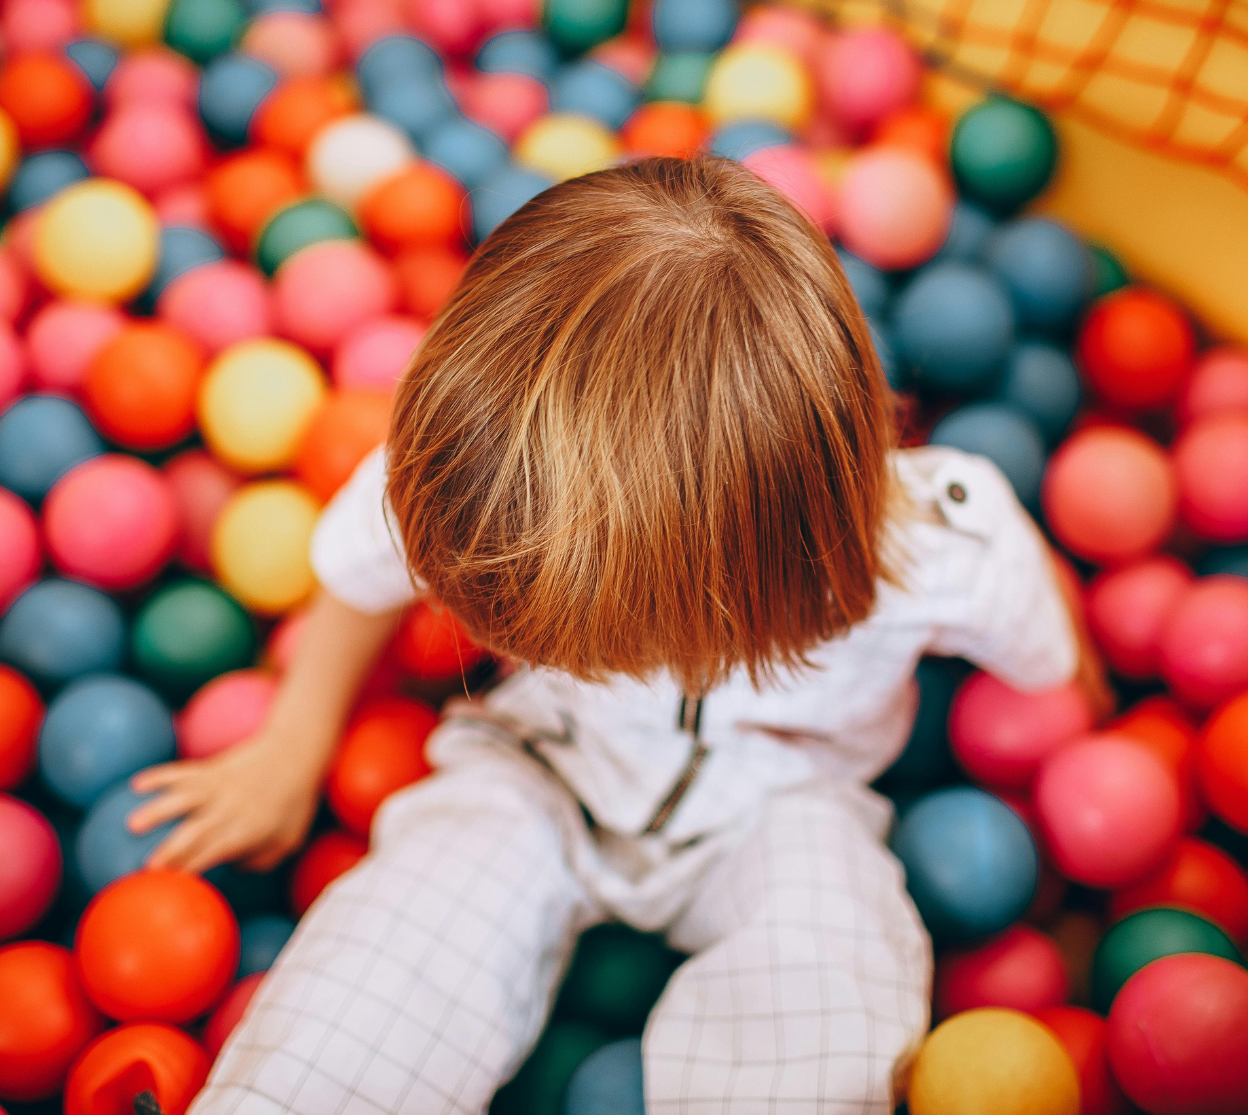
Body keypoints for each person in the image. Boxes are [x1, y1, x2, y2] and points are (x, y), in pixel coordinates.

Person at [130, 157, 1097, 1115]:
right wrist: (294, 744)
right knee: (395, 952)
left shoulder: (943, 546)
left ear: (736, 598)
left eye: (580, 645)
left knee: (824, 964)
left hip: (785, 804)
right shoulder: (483, 465)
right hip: (542, 770)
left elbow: (1047, 648)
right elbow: (360, 569)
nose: (524, 645)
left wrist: (1083, 739)